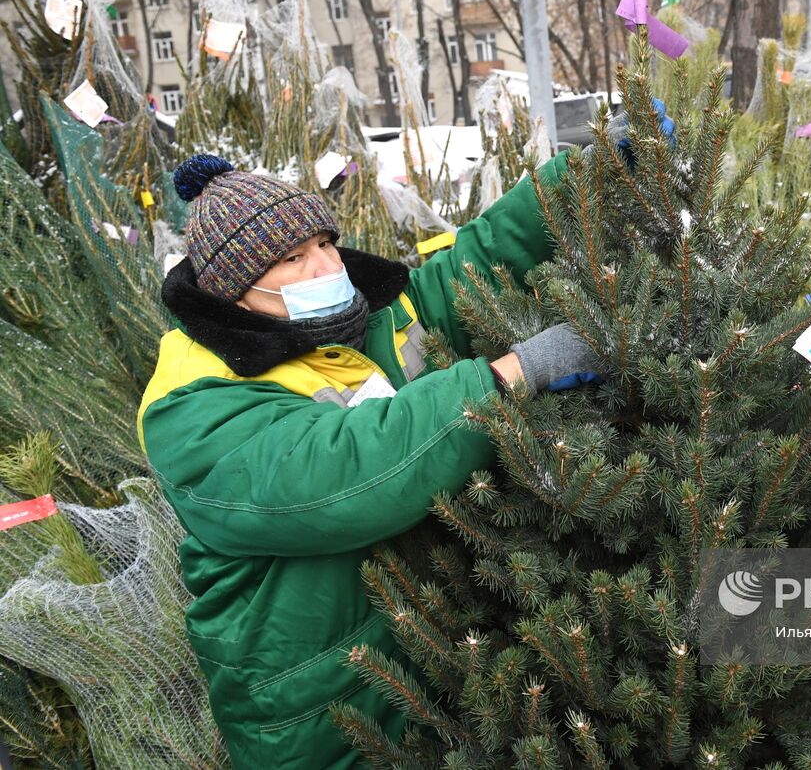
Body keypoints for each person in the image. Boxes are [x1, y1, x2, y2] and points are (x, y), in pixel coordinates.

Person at [138, 148, 605, 767]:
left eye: (324, 244)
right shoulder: (194, 404)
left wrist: (588, 172)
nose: (325, 267)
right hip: (321, 706)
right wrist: (509, 375)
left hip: (432, 653)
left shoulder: (370, 316)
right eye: (291, 258)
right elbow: (345, 472)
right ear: (234, 291)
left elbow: (482, 258)